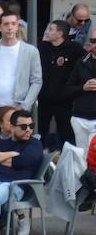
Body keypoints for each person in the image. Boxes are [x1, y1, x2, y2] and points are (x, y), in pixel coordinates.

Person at [0, 13, 42, 131]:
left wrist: (25, 104)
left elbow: (36, 81)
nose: (10, 27)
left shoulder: (31, 51)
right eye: (6, 24)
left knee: (17, 145)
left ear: (17, 26)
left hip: (17, 107)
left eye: (13, 24)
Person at [38, 20, 82, 148]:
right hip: (44, 98)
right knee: (40, 130)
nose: (47, 32)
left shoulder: (74, 48)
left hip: (64, 99)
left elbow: (84, 64)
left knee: (66, 132)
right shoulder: (42, 47)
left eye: (51, 29)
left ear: (59, 33)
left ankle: (66, 160)